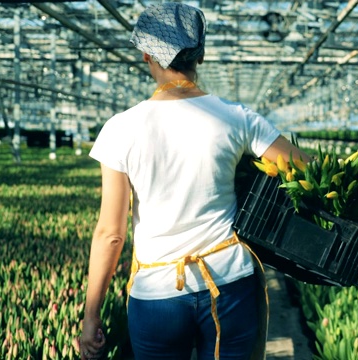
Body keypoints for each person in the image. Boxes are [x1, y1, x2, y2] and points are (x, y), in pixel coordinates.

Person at [79, 3, 310, 360]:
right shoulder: (237, 118)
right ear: (199, 57)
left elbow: (111, 232)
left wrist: (91, 313)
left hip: (157, 295)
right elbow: (305, 168)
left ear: (146, 55)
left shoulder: (120, 128)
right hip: (230, 282)